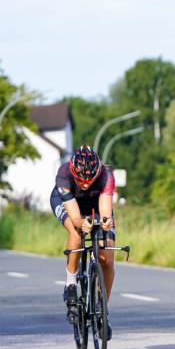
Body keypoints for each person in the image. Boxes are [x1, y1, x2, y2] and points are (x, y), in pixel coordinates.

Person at [51, 145, 116, 339]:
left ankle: (102, 308)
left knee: (108, 257)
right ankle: (71, 283)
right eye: (81, 178)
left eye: (90, 178)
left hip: (95, 203)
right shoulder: (63, 174)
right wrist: (81, 223)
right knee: (77, 232)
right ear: (73, 171)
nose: (86, 183)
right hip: (70, 203)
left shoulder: (106, 175)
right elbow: (77, 217)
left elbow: (105, 212)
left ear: (98, 171)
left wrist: (105, 223)